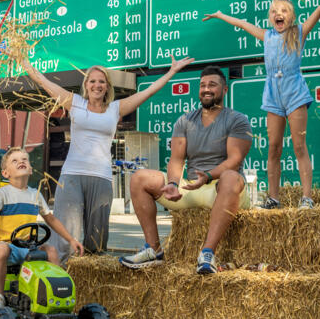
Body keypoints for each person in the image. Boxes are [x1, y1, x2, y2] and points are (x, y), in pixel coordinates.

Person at [13, 50, 194, 262]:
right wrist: (24, 63)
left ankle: (88, 279)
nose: (97, 85)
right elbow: (44, 82)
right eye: (92, 81)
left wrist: (171, 72)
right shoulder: (74, 102)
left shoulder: (115, 109)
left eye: (101, 81)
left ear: (107, 86)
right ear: (86, 85)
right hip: (72, 176)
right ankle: (58, 276)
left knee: (97, 241)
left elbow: (148, 92)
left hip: (101, 179)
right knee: (65, 238)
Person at [204, 0, 320, 209]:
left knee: (299, 147)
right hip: (272, 96)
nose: (278, 14)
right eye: (274, 11)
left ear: (292, 16)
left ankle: (306, 198)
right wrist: (220, 15)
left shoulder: (299, 32)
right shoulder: (266, 36)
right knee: (274, 148)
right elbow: (242, 24)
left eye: (284, 11)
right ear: (270, 18)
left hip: (295, 93)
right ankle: (273, 198)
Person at [118, 67, 252, 275]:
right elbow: (177, 159)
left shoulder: (237, 119)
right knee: (139, 178)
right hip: (190, 188)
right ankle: (154, 250)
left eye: (212, 85)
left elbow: (234, 161)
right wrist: (173, 183)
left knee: (231, 177)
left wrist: (208, 176)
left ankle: (207, 253)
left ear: (225, 89)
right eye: (203, 85)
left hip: (221, 190)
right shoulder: (185, 120)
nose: (206, 89)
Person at [0, 147, 83, 317]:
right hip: (8, 246)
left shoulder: (36, 195)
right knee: (1, 250)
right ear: (5, 173)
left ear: (30, 169)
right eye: (14, 161)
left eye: (24, 159)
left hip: (29, 247)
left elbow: (51, 220)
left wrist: (71, 239)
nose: (21, 162)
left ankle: (56, 299)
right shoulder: (2, 194)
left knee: (51, 251)